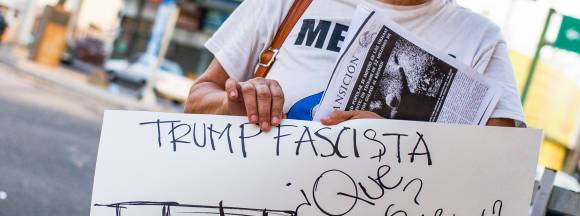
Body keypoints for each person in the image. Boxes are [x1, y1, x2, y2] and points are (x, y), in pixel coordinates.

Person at [185, 0, 524, 130]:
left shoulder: (480, 39)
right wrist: (235, 102)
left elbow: (500, 170)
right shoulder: (290, 2)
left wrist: (397, 140)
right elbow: (197, 100)